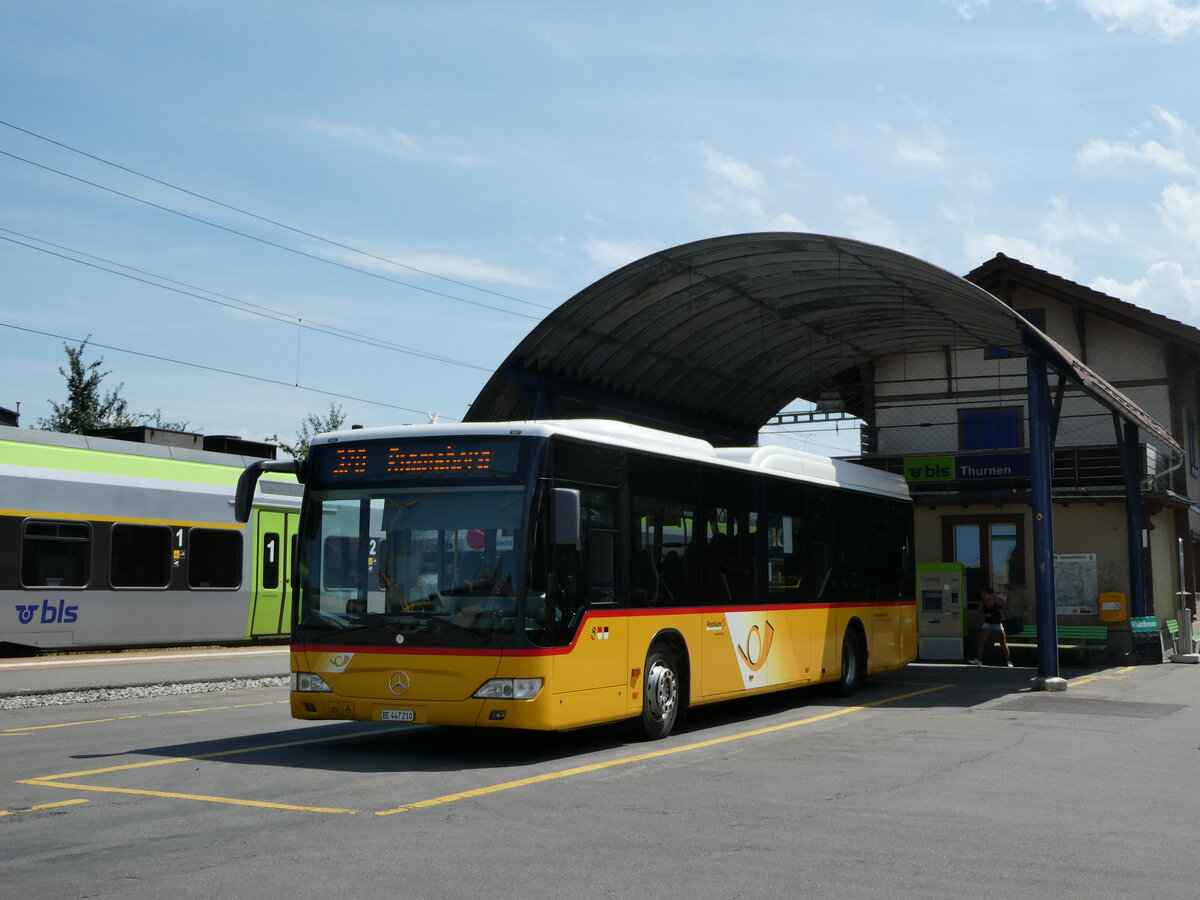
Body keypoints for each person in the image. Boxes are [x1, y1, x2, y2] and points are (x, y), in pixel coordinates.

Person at [968, 588, 1013, 667]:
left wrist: (1003, 605)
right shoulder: (982, 602)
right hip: (988, 623)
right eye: (982, 594)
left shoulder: (995, 599)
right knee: (981, 641)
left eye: (984, 594)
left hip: (997, 623)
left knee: (1002, 642)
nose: (983, 596)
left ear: (989, 594)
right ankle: (978, 660)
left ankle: (1009, 661)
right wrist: (985, 614)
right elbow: (980, 612)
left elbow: (1004, 605)